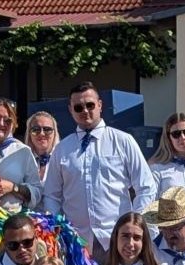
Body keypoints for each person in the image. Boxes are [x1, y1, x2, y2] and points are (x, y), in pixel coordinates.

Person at [41, 82, 157, 251]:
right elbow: (52, 195)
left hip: (117, 239)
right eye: (78, 107)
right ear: (70, 110)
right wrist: (55, 229)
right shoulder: (62, 149)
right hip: (76, 242)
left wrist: (135, 226)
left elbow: (146, 187)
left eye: (90, 105)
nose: (85, 111)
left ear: (100, 105)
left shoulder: (123, 141)